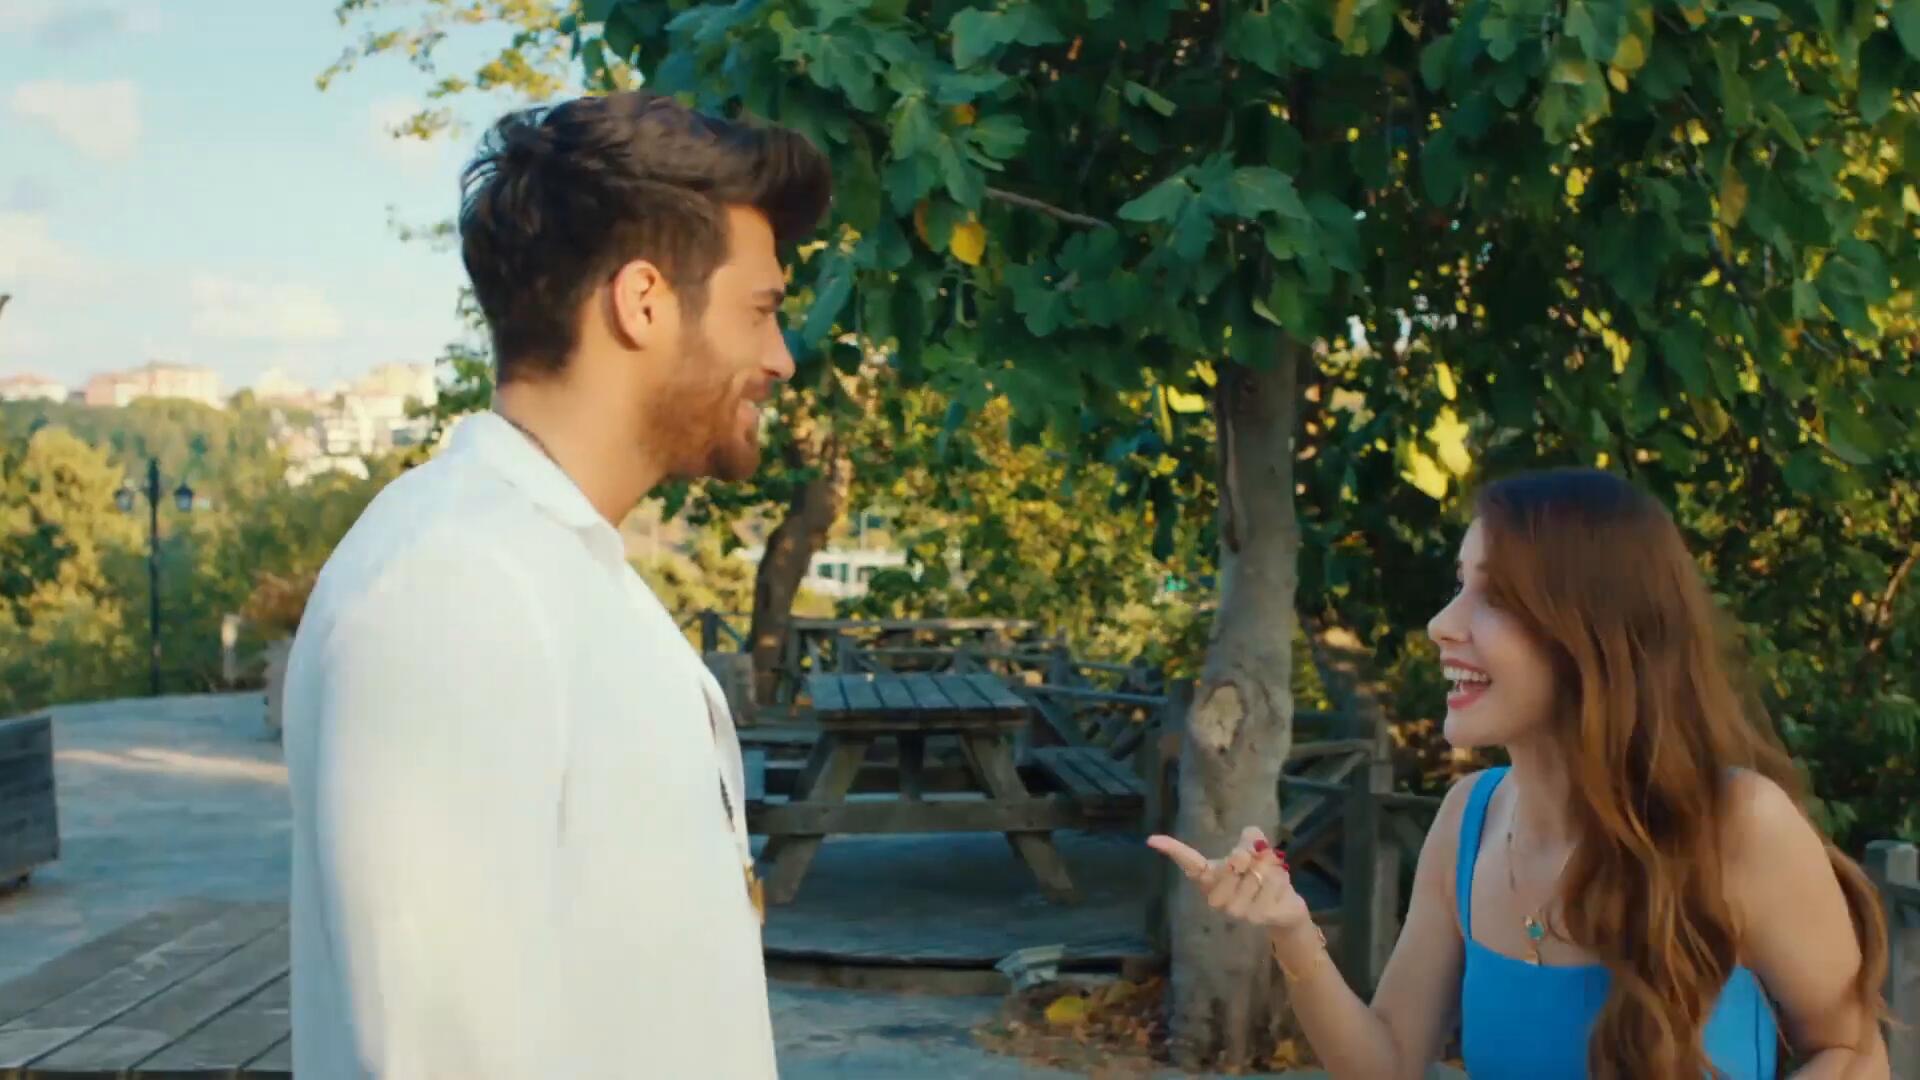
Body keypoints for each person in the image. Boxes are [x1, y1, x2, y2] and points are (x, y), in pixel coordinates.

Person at [281, 91, 831, 1078]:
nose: (781, 359)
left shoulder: (556, 568)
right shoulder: (453, 590)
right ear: (644, 301)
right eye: (761, 311)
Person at [1150, 467, 1891, 1079]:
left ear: (1594, 632)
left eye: (1496, 596)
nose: (1443, 623)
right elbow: (1388, 1063)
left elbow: (1855, 1051)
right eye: (1459, 585)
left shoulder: (1738, 824)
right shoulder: (1467, 820)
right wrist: (1291, 931)